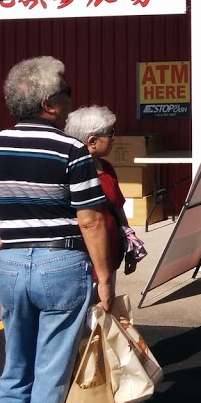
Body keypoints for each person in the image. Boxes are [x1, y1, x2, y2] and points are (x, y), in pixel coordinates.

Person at [0, 56, 113, 403]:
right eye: (67, 91)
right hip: (62, 263)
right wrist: (105, 278)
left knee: (16, 366)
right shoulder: (71, 149)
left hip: (13, 264)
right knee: (52, 371)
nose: (70, 100)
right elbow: (90, 220)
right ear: (48, 104)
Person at [65, 106, 147, 287]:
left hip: (109, 259)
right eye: (110, 134)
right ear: (92, 141)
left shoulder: (107, 168)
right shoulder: (67, 173)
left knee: (104, 313)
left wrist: (129, 244)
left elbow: (118, 209)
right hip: (82, 265)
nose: (113, 139)